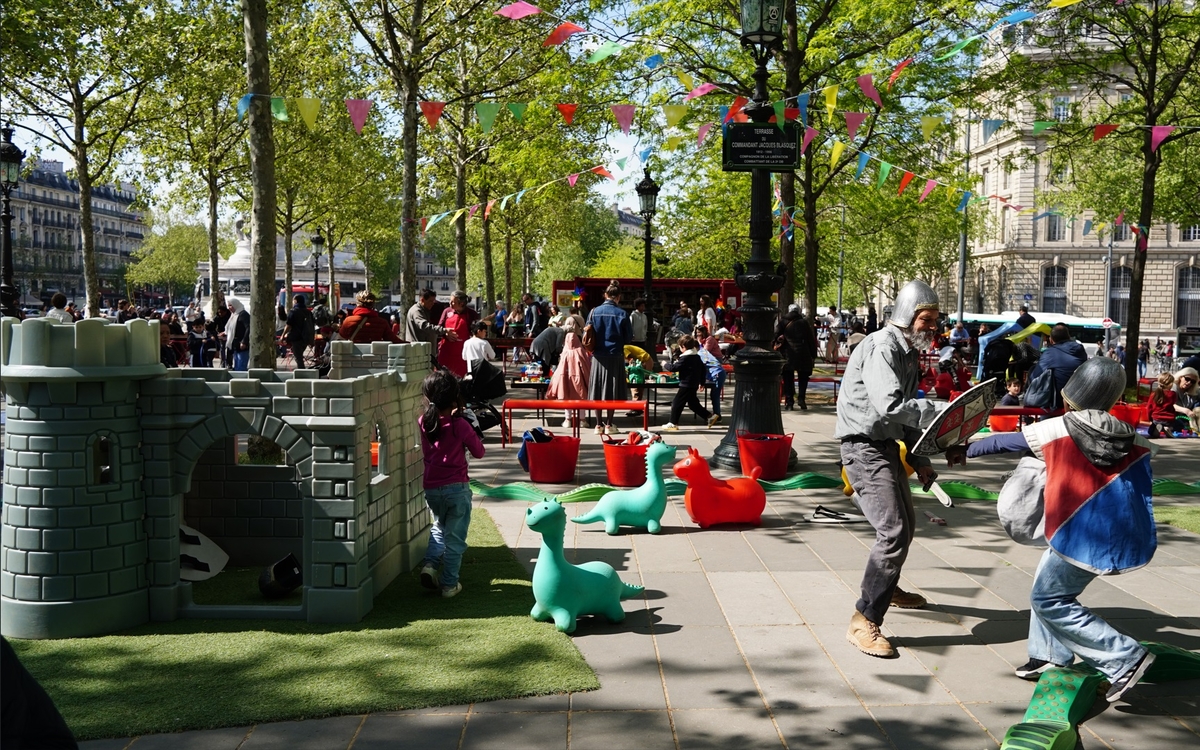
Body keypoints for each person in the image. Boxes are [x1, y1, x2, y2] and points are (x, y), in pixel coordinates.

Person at [950, 357, 1158, 702]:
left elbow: (1006, 442)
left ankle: (1125, 658)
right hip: (1113, 532)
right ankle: (1049, 656)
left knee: (1050, 599)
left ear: (1072, 392)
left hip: (1077, 531)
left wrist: (965, 449)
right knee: (1045, 583)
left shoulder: (1058, 428)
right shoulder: (1134, 439)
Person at [835, 279, 946, 658]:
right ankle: (862, 619)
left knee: (905, 528)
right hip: (864, 449)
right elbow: (892, 406)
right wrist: (942, 412)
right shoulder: (883, 346)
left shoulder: (908, 351)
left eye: (935, 321)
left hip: (883, 446)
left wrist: (921, 460)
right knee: (893, 531)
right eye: (926, 320)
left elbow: (904, 420)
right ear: (907, 316)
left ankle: (887, 585)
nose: (933, 328)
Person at [415, 370, 484, 600]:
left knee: (439, 526)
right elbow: (479, 452)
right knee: (455, 538)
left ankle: (431, 565)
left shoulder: (423, 422)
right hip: (457, 488)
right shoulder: (460, 426)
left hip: (432, 487)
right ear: (454, 398)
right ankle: (449, 584)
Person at [586, 282, 633, 434]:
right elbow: (628, 338)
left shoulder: (594, 312)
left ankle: (598, 425)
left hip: (598, 356)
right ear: (618, 297)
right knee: (612, 390)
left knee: (598, 389)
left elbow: (588, 332)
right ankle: (609, 424)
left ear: (605, 295)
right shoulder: (622, 314)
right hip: (615, 355)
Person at [661, 335, 720, 431]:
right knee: (693, 404)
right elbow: (702, 370)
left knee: (676, 403)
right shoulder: (697, 357)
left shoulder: (685, 358)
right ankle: (709, 416)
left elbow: (674, 368)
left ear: (683, 347)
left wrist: (665, 364)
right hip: (693, 384)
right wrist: (702, 382)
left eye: (680, 347)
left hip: (686, 384)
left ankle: (673, 423)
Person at [1026, 324, 1088, 407]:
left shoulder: (1049, 353)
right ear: (1069, 337)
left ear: (1051, 340)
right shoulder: (1080, 350)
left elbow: (1035, 376)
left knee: (1033, 369)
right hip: (1079, 399)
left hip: (1057, 402)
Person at [548, 317, 592, 425]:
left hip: (565, 379)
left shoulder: (565, 352)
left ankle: (567, 419)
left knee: (567, 396)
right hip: (579, 379)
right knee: (581, 397)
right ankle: (582, 420)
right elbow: (586, 367)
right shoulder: (580, 351)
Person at [776, 309, 817, 411]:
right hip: (803, 353)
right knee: (803, 378)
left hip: (788, 354)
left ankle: (789, 402)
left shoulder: (783, 321)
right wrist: (813, 355)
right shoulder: (804, 322)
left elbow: (775, 334)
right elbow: (810, 339)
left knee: (788, 378)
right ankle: (801, 398)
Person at [407, 288, 459, 367]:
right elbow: (424, 326)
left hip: (423, 351)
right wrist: (444, 330)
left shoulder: (424, 310)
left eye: (433, 301)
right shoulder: (416, 311)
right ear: (422, 300)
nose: (432, 303)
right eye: (430, 301)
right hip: (418, 353)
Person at [436, 291, 478, 377]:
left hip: (462, 352)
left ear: (461, 303)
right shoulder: (446, 311)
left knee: (461, 376)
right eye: (450, 301)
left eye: (453, 302)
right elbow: (438, 328)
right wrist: (445, 334)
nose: (450, 303)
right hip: (446, 350)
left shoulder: (471, 314)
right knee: (443, 375)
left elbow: (476, 332)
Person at [281, 294, 315, 368]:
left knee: (298, 358)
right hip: (306, 338)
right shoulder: (308, 312)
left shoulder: (293, 311)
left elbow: (288, 325)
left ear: (295, 301)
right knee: (299, 355)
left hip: (296, 338)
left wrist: (283, 335)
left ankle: (301, 375)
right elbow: (312, 325)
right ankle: (301, 372)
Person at [1146, 372, 1177, 438]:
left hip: (1157, 418)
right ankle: (1168, 428)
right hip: (1169, 419)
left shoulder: (1153, 394)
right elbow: (1173, 404)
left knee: (1150, 432)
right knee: (1175, 425)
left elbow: (1149, 408)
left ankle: (1157, 430)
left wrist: (1150, 419)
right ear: (1170, 384)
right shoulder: (1173, 394)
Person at [224, 298, 250, 371]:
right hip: (235, 345)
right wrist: (225, 334)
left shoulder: (243, 314)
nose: (229, 308)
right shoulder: (234, 315)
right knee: (237, 365)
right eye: (228, 306)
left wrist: (244, 341)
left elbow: (249, 328)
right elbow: (231, 328)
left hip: (242, 345)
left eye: (231, 305)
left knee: (241, 366)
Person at [1170, 366, 1198, 433]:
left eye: (1192, 381)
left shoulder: (1193, 391)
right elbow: (1169, 404)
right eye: (1187, 379)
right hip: (1172, 416)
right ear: (1181, 377)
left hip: (1185, 418)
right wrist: (1185, 410)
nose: (1189, 383)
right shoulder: (1172, 387)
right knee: (1179, 425)